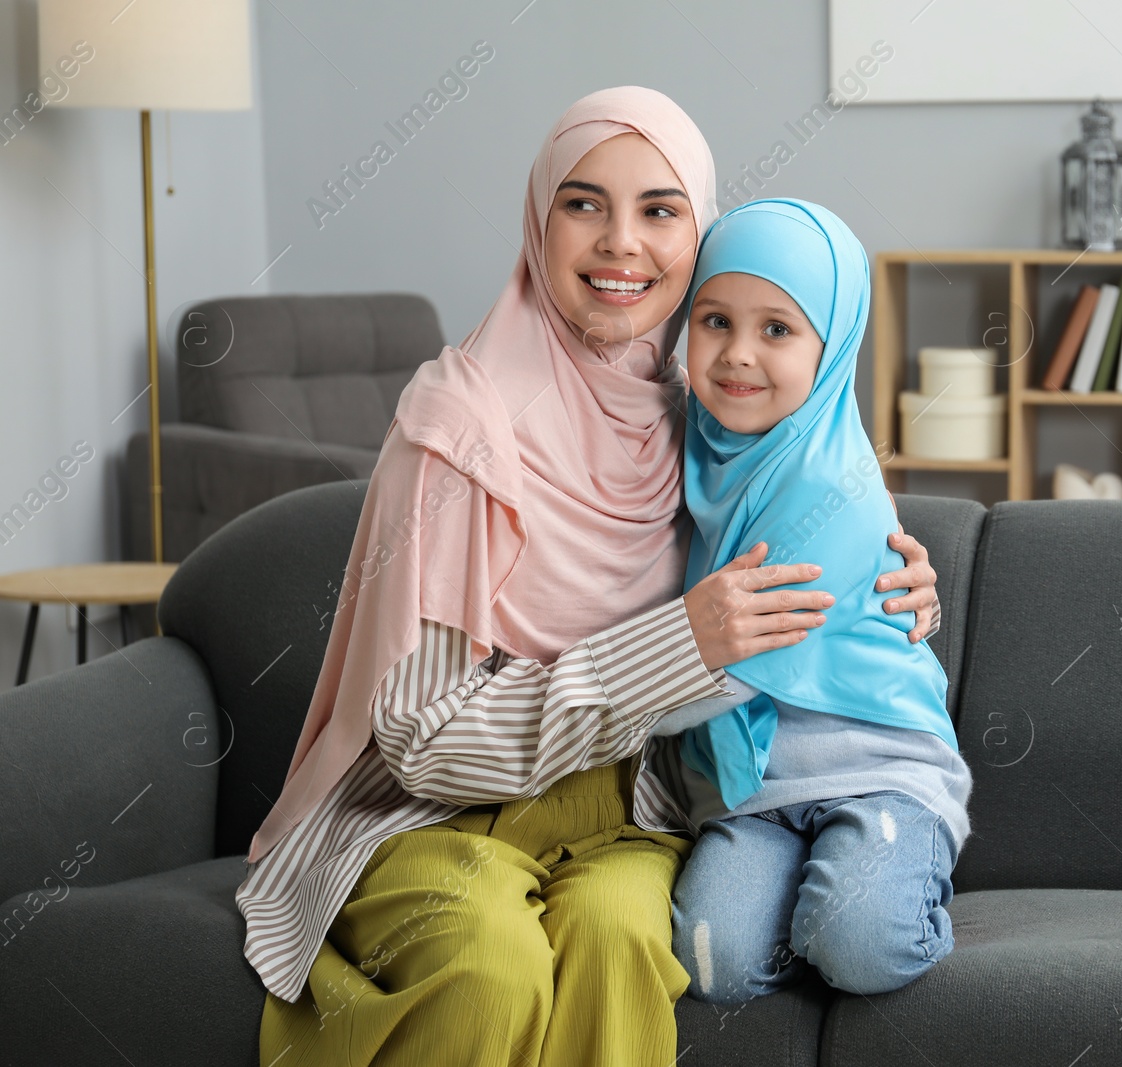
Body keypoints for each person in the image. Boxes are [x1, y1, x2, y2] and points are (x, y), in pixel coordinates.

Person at [234, 90, 943, 1067]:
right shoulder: (457, 435)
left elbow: (819, 479)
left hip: (627, 812)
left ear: (702, 233)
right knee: (492, 967)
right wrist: (677, 647)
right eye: (582, 204)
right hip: (428, 810)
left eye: (659, 210)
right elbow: (422, 743)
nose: (621, 244)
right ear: (538, 218)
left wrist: (894, 574)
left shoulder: (701, 404)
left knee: (618, 940)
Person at [656, 199, 972, 1005]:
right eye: (715, 319)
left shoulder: (833, 484)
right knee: (709, 959)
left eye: (778, 330)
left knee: (860, 942)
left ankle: (887, 887)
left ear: (833, 350)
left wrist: (606, 689)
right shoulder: (689, 440)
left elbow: (734, 666)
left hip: (874, 768)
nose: (736, 355)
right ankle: (812, 913)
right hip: (756, 793)